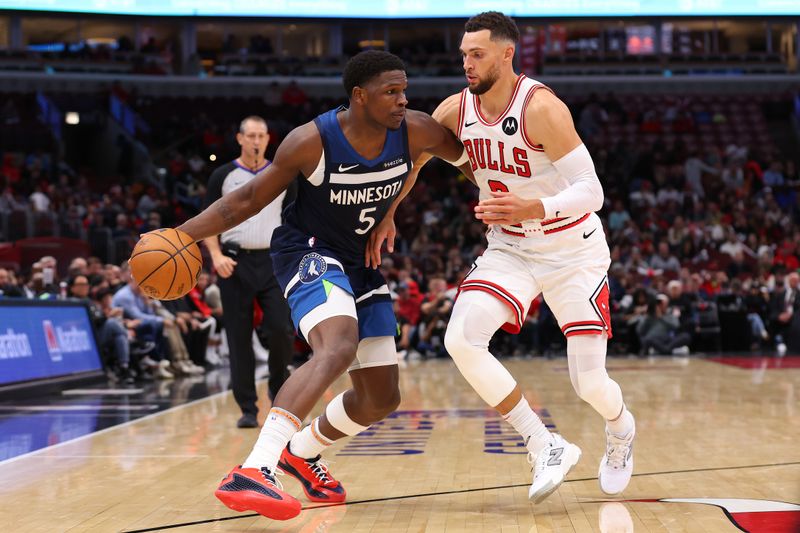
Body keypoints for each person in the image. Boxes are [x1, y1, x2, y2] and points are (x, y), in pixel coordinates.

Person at [169, 51, 469, 520]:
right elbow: (245, 199)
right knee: (337, 346)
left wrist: (530, 197)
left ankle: (302, 451)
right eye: (391, 91)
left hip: (360, 261)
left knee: (382, 396)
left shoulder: (417, 130)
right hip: (307, 252)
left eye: (403, 90)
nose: (402, 100)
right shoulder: (310, 141)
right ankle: (255, 468)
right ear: (359, 96)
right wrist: (181, 235)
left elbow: (470, 163)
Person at [368, 12, 635, 503]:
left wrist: (536, 205)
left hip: (571, 249)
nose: (467, 63)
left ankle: (620, 429)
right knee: (462, 339)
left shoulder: (543, 109)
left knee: (589, 383)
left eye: (478, 54)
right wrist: (389, 213)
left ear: (507, 53)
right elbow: (417, 159)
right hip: (510, 246)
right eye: (464, 54)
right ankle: (543, 443)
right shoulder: (455, 109)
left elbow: (592, 191)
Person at [203, 117, 297, 428]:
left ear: (268, 139)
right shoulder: (223, 175)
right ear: (240, 139)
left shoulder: (282, 174)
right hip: (234, 263)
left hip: (274, 262)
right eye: (251, 135)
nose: (256, 141)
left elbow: (296, 219)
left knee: (281, 329)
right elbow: (207, 221)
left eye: (261, 135)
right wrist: (216, 256)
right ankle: (246, 407)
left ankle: (278, 397)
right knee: (238, 337)